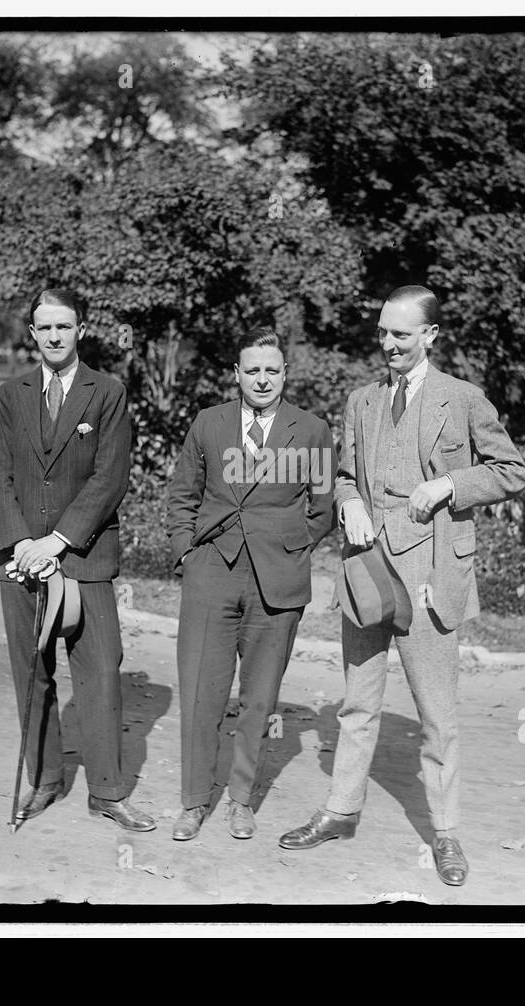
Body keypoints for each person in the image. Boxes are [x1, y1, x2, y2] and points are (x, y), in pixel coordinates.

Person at [278, 285, 525, 886]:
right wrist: (349, 504)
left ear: (430, 336)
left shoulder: (463, 400)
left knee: (437, 716)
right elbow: (342, 476)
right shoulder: (360, 400)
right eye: (383, 333)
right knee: (358, 703)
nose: (388, 344)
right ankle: (340, 811)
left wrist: (448, 486)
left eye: (401, 334)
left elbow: (512, 470)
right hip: (367, 569)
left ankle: (445, 833)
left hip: (431, 579)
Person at [0, 287, 154, 831]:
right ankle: (46, 779)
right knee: (31, 673)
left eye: (65, 326)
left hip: (84, 557)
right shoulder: (12, 394)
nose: (55, 337)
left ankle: (107, 791)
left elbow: (111, 477)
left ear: (81, 329)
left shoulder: (107, 392)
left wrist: (56, 542)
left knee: (102, 670)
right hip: (22, 563)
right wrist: (18, 548)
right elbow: (0, 475)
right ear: (32, 334)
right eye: (45, 328)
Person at [166, 327, 337, 840]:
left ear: (285, 373)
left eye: (272, 370)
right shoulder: (209, 424)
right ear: (236, 374)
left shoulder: (310, 430)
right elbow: (181, 496)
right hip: (211, 574)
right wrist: (187, 554)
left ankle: (241, 800)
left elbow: (323, 507)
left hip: (276, 583)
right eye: (252, 370)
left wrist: (288, 545)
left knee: (259, 698)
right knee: (201, 692)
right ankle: (195, 802)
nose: (262, 379)